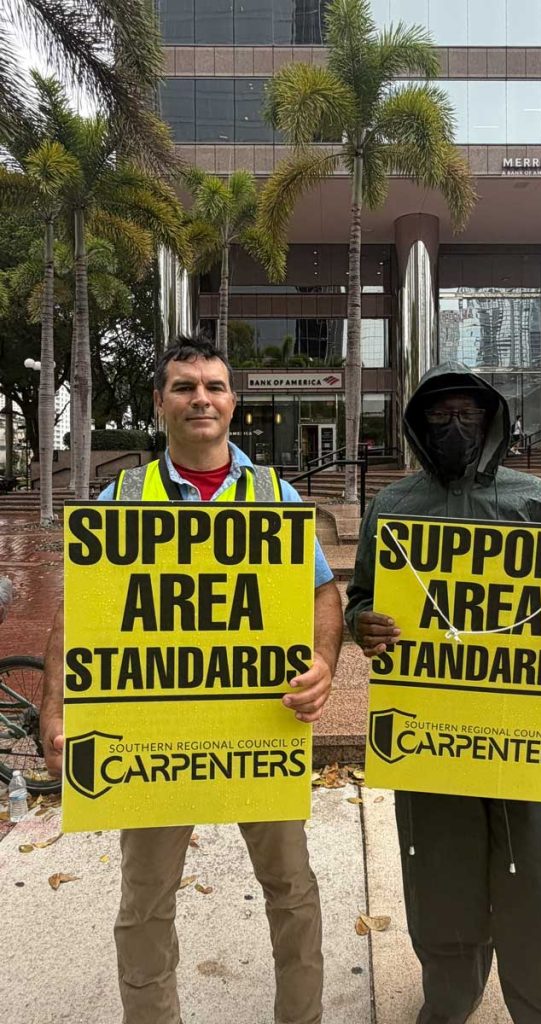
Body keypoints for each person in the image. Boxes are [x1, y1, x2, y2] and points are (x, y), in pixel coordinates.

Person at [40, 332, 344, 1024]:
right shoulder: (124, 496)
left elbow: (322, 595)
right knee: (145, 898)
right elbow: (77, 610)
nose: (200, 397)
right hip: (154, 733)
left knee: (291, 888)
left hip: (259, 725)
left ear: (233, 401)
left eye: (213, 385)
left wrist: (324, 663)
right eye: (184, 386)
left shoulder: (275, 494)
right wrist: (56, 709)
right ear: (160, 402)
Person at [347, 362, 541, 1024]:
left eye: (468, 415)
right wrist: (362, 624)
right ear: (417, 426)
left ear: (493, 422)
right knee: (441, 881)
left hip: (523, 728)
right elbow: (362, 598)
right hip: (431, 730)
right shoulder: (392, 506)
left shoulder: (533, 499)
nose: (455, 428)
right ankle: (450, 999)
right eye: (439, 417)